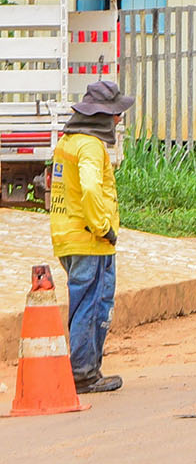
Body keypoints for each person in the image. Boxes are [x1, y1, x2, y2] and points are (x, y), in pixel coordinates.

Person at [48, 79, 135, 394]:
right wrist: (103, 228)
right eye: (115, 114)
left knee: (82, 301)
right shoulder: (90, 147)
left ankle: (85, 370)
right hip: (90, 239)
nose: (118, 120)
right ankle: (84, 374)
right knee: (92, 304)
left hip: (65, 235)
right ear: (102, 116)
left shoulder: (67, 143)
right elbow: (88, 187)